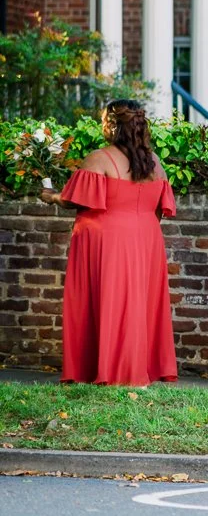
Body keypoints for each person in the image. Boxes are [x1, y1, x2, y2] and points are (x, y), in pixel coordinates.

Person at [39, 99, 178, 386]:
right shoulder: (154, 162)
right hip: (147, 238)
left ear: (111, 125)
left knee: (109, 301)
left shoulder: (100, 158)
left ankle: (111, 369)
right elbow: (158, 207)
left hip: (108, 239)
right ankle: (141, 368)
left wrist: (51, 195)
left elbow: (70, 200)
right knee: (139, 304)